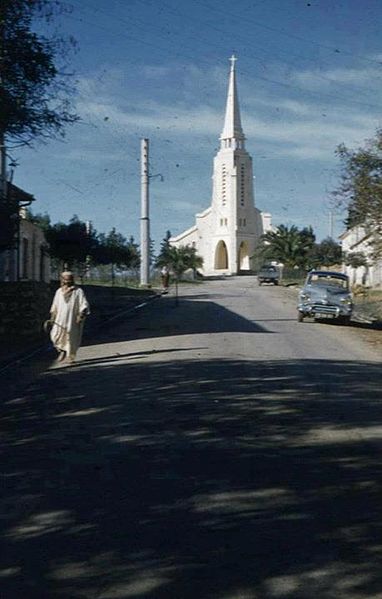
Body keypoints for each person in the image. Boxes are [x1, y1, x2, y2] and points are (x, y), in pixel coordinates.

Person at [49, 271, 90, 363]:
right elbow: (55, 306)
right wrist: (52, 317)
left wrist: (81, 315)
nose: (68, 281)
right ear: (62, 280)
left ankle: (69, 356)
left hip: (72, 319)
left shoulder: (78, 291)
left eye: (70, 279)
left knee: (71, 337)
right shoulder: (59, 291)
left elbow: (84, 304)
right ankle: (61, 350)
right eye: (66, 279)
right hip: (60, 318)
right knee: (55, 335)